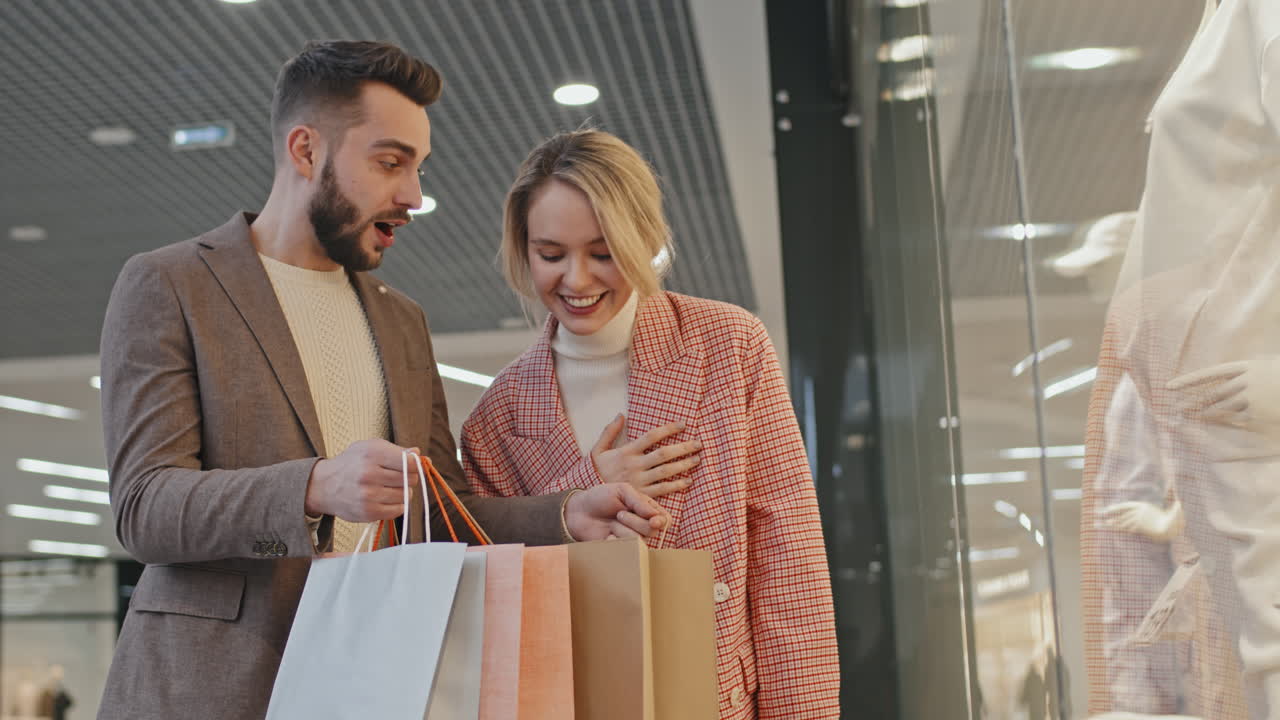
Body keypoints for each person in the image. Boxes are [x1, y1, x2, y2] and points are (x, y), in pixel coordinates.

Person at [96, 41, 668, 720]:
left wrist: (566, 512)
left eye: (419, 168)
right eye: (391, 163)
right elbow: (145, 508)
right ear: (305, 151)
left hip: (372, 684)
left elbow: (440, 509)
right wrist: (316, 486)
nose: (414, 196)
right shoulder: (170, 284)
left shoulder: (401, 321)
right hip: (209, 691)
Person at [460, 128, 840, 719]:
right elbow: (499, 594)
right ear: (523, 249)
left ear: (644, 237)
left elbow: (788, 564)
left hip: (716, 699)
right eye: (551, 254)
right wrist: (581, 489)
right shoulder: (499, 413)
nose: (577, 281)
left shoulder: (729, 346)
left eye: (603, 251)